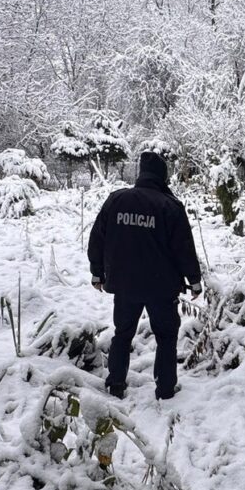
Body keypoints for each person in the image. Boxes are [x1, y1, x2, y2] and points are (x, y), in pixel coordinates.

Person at [88, 151, 202, 400]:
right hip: (162, 286)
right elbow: (184, 248)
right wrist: (194, 280)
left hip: (124, 284)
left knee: (122, 333)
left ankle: (115, 383)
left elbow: (97, 238)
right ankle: (165, 388)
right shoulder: (170, 206)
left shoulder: (116, 201)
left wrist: (97, 273)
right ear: (163, 176)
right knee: (166, 336)